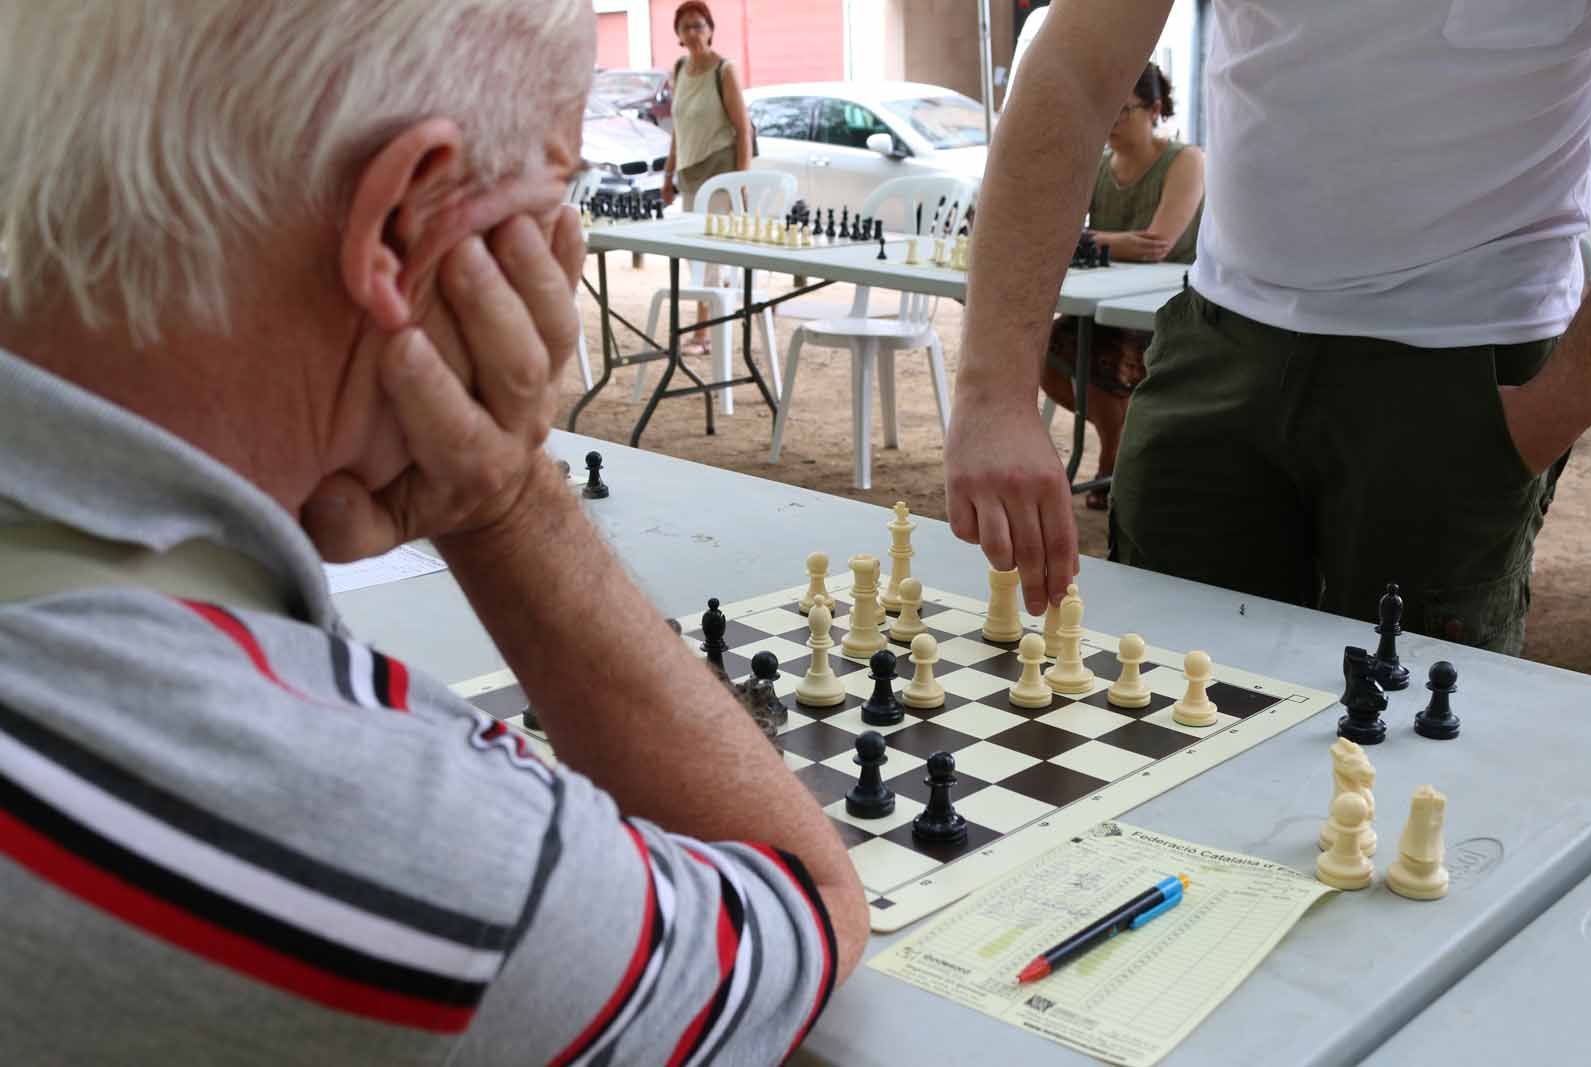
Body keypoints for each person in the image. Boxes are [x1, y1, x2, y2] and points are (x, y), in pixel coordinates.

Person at [0, 4, 866, 1064]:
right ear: (406, 225)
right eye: (558, 191)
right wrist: (501, 495)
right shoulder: (388, 841)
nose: (567, 241)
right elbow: (799, 895)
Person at [946, 0, 1591, 656]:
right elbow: (1073, 69)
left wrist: (1551, 410)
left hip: (1465, 362)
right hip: (1219, 340)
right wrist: (993, 392)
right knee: (1168, 684)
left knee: (1402, 705)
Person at [1040, 62, 1203, 509]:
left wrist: (1089, 240)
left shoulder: (1186, 160)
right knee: (1042, 351)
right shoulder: (1098, 165)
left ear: (1154, 109)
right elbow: (1058, 232)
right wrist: (1114, 242)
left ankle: (1114, 462)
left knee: (1111, 356)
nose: (1110, 121)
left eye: (1122, 110)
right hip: (1104, 302)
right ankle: (1120, 447)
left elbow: (1158, 244)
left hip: (1167, 308)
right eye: (1104, 110)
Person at [660, 0, 754, 355]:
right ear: (678, 35)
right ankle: (719, 312)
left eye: (699, 25)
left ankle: (704, 333)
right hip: (690, 173)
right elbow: (679, 128)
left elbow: (743, 130)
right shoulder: (679, 69)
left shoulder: (724, 70)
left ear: (711, 30)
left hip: (719, 171)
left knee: (707, 252)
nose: (693, 32)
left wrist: (742, 182)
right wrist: (668, 175)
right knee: (694, 253)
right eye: (686, 27)